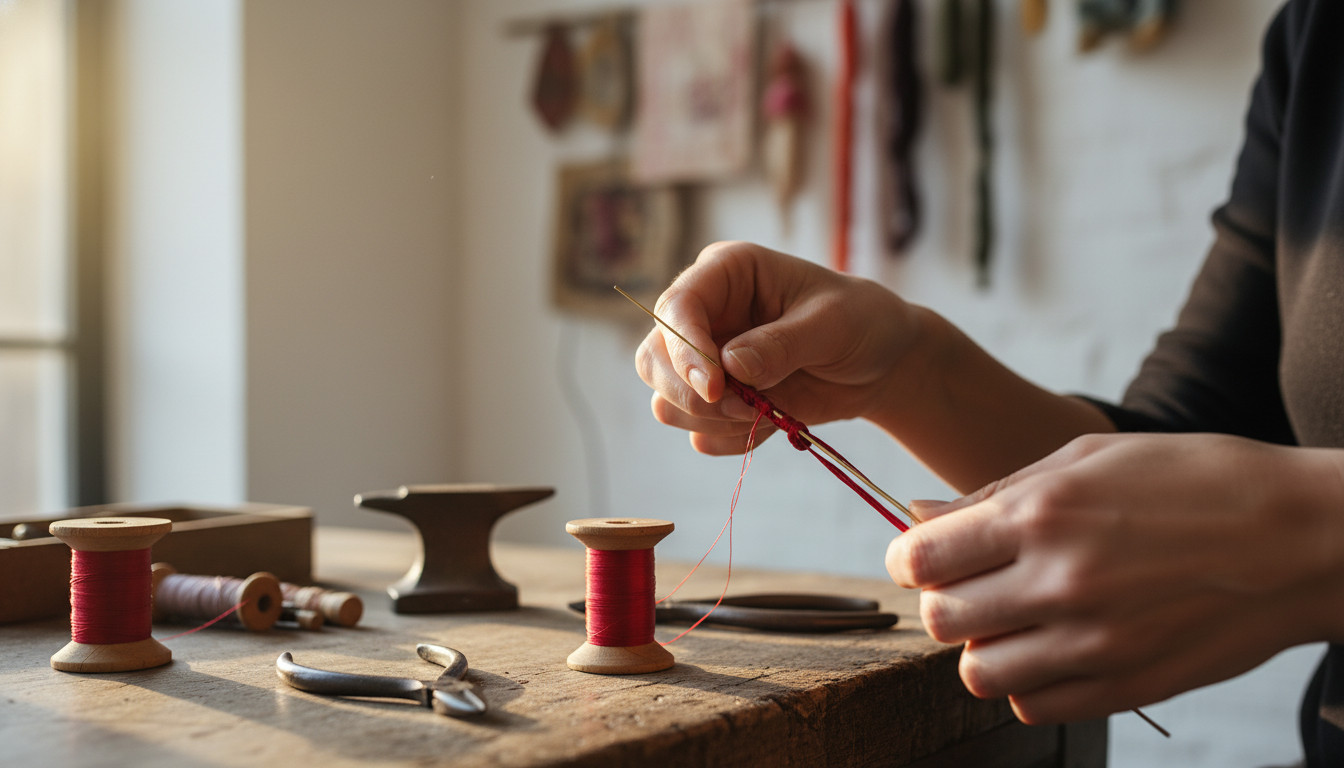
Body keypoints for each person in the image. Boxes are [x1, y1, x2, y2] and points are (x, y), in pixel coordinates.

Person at [633, 1, 1344, 763]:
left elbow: (1224, 502)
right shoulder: (1319, 36)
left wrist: (1314, 538)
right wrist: (905, 365)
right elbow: (1176, 447)